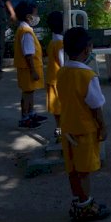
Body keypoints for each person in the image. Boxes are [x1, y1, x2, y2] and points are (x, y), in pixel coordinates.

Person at [58, 27, 110, 222]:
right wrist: (103, 127)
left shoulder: (62, 72)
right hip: (85, 130)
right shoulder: (88, 76)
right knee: (84, 171)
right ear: (88, 49)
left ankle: (79, 201)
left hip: (67, 128)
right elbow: (96, 106)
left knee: (72, 169)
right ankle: (85, 205)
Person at [13, 0, 47, 129]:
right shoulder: (26, 32)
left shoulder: (23, 29)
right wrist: (33, 71)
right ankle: (25, 117)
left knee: (29, 92)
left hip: (26, 68)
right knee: (27, 93)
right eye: (35, 14)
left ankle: (30, 113)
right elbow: (28, 54)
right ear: (28, 16)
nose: (37, 17)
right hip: (28, 69)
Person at [46, 11, 65, 141]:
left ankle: (58, 128)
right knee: (61, 107)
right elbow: (63, 62)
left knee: (56, 107)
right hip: (59, 79)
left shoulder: (52, 41)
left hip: (52, 78)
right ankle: (61, 130)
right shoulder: (60, 43)